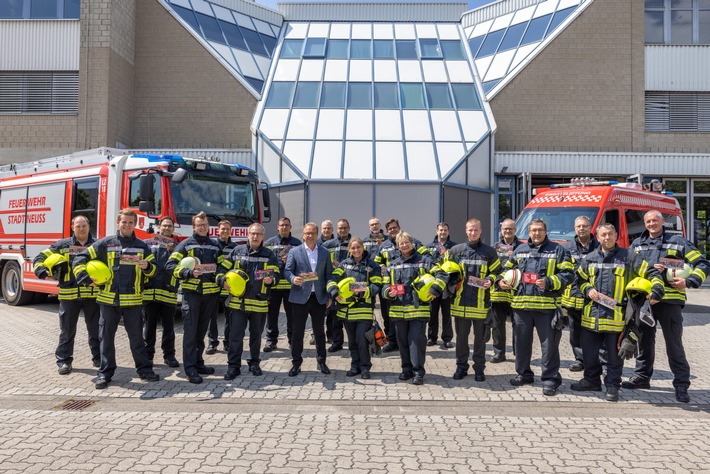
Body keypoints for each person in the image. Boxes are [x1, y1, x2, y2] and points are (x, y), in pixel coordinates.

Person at [621, 210, 710, 403]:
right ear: (644, 224)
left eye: (655, 220)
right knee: (644, 341)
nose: (652, 223)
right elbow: (630, 269)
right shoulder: (637, 245)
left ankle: (681, 384)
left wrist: (689, 281)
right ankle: (642, 378)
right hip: (645, 301)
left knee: (673, 344)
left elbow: (702, 264)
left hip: (670, 301)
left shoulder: (679, 242)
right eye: (648, 221)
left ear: (662, 222)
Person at [573, 223, 664, 401]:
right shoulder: (589, 258)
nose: (606, 238)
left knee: (615, 357)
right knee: (589, 354)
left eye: (610, 234)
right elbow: (579, 280)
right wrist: (587, 288)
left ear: (616, 236)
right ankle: (591, 380)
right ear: (597, 238)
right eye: (603, 235)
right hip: (591, 318)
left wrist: (657, 289)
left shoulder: (629, 257)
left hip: (617, 319)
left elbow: (651, 272)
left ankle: (612, 386)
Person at [73, 209, 159, 390]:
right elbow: (80, 258)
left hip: (133, 301)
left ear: (134, 224)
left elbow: (154, 271)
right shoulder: (105, 243)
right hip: (108, 300)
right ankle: (105, 373)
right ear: (118, 222)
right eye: (124, 222)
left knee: (137, 339)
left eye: (130, 222)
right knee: (106, 338)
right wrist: (85, 279)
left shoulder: (142, 246)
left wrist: (147, 266)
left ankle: (145, 370)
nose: (127, 225)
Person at [499, 219, 574, 396]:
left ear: (545, 231)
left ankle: (550, 379)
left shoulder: (558, 250)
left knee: (549, 347)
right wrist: (500, 280)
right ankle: (524, 374)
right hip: (521, 307)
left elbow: (569, 274)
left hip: (546, 308)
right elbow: (506, 269)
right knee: (521, 344)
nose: (536, 233)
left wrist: (549, 281)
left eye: (540, 230)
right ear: (529, 232)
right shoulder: (520, 250)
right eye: (533, 230)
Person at [34, 215, 100, 375]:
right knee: (67, 331)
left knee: (96, 330)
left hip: (92, 295)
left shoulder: (98, 245)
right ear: (72, 227)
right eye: (78, 226)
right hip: (69, 296)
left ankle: (99, 358)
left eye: (84, 225)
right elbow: (39, 258)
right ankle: (64, 361)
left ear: (89, 226)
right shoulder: (62, 245)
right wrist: (42, 272)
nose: (81, 229)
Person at [165, 211, 223, 384]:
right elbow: (170, 266)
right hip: (192, 296)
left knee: (201, 332)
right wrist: (188, 273)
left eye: (204, 225)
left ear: (208, 226)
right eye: (199, 225)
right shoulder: (185, 245)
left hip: (210, 296)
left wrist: (220, 277)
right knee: (190, 333)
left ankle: (198, 363)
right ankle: (189, 368)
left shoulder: (215, 246)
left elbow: (221, 266)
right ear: (194, 227)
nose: (202, 227)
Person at [382, 232, 445, 385]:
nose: (404, 245)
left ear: (412, 243)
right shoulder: (393, 264)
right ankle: (406, 369)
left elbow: (442, 274)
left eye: (407, 242)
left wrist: (435, 290)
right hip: (398, 311)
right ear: (397, 246)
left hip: (418, 311)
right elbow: (384, 285)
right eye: (401, 243)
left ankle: (418, 372)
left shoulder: (424, 261)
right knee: (402, 342)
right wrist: (388, 293)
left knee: (416, 342)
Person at [217, 223, 280, 379]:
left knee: (256, 337)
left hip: (259, 303)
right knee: (235, 336)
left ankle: (254, 364)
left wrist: (272, 280)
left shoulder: (269, 254)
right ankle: (233, 367)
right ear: (248, 235)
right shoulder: (237, 251)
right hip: (238, 303)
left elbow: (277, 272)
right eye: (253, 233)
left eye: (258, 234)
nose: (255, 236)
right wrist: (222, 279)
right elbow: (221, 269)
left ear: (263, 237)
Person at [448, 219, 502, 381]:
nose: (473, 233)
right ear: (466, 231)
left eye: (476, 230)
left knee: (480, 341)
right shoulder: (455, 251)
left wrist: (491, 280)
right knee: (461, 341)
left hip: (481, 305)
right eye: (470, 230)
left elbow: (498, 271)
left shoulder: (489, 252)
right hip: (460, 304)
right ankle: (461, 368)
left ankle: (479, 369)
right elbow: (445, 272)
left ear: (481, 231)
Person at [327, 237, 382, 379]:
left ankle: (365, 367)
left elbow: (376, 285)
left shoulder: (372, 265)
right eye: (353, 248)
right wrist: (334, 292)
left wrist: (362, 292)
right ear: (350, 249)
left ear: (363, 248)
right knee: (352, 341)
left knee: (362, 340)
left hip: (363, 309)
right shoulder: (344, 265)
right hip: (347, 311)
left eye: (358, 247)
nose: (356, 250)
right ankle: (354, 366)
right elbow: (333, 279)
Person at [284, 222, 334, 376]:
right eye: (307, 233)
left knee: (319, 332)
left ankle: (321, 362)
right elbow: (287, 271)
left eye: (313, 233)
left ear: (317, 234)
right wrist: (293, 279)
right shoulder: (295, 251)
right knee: (297, 332)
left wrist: (329, 295)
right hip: (299, 297)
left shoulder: (325, 252)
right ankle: (296, 363)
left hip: (318, 298)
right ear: (303, 235)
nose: (310, 235)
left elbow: (329, 275)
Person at [374, 219, 429, 353]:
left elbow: (427, 255)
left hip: (410, 285)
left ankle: (408, 342)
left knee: (407, 316)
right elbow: (377, 262)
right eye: (390, 229)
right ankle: (392, 341)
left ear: (399, 227)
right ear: (387, 231)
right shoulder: (384, 246)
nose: (392, 230)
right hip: (390, 285)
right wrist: (383, 269)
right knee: (388, 315)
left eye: (394, 227)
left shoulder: (413, 241)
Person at [560, 216, 599, 372]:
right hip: (573, 297)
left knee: (594, 330)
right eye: (578, 226)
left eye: (585, 226)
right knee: (575, 331)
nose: (582, 228)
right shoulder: (566, 248)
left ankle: (596, 360)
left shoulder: (599, 246)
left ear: (591, 228)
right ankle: (580, 359)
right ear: (574, 229)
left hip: (593, 297)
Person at [142, 216, 180, 368]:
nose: (166, 228)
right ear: (158, 227)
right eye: (164, 225)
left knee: (169, 328)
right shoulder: (147, 244)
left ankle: (169, 356)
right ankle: (148, 356)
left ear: (173, 229)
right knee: (149, 327)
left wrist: (173, 251)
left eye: (169, 226)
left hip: (168, 292)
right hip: (150, 292)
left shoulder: (178, 247)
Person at [263, 217, 301, 352]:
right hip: (273, 286)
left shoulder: (297, 243)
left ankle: (292, 341)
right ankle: (271, 340)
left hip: (291, 287)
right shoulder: (269, 243)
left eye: (286, 225)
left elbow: (302, 264)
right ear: (277, 227)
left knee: (292, 316)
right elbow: (265, 263)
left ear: (290, 227)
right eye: (281, 225)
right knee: (272, 316)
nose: (284, 227)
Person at [489, 218, 521, 363]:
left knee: (519, 324)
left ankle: (519, 353)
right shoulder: (493, 248)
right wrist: (498, 282)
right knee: (497, 325)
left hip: (517, 292)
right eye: (505, 229)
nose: (507, 231)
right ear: (501, 230)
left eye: (510, 228)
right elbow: (490, 268)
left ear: (515, 230)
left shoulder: (522, 247)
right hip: (498, 291)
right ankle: (499, 353)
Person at [206, 220, 236, 354]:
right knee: (211, 316)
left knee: (230, 317)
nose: (225, 231)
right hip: (213, 286)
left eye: (227, 229)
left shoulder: (235, 248)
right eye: (222, 229)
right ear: (217, 230)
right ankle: (212, 343)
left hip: (229, 286)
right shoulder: (211, 245)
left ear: (231, 231)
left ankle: (228, 342)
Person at [322, 218, 352, 352]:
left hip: (349, 283)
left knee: (349, 314)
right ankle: (335, 341)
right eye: (340, 228)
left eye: (345, 227)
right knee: (333, 315)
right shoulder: (328, 244)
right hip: (333, 282)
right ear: (337, 229)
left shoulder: (354, 243)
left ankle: (354, 342)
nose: (343, 230)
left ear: (349, 228)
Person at [426, 222, 457, 348]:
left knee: (447, 312)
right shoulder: (429, 247)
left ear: (448, 231)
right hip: (433, 284)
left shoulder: (454, 247)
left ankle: (447, 338)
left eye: (445, 230)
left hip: (448, 284)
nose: (443, 232)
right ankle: (432, 337)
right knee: (432, 312)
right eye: (440, 230)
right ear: (436, 231)